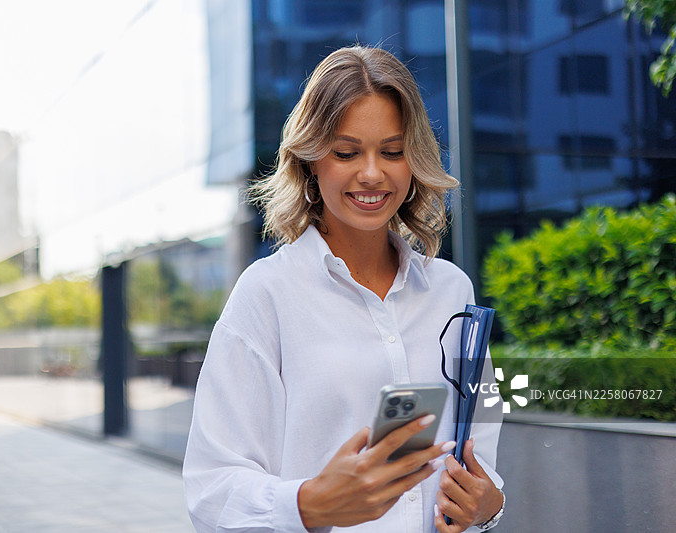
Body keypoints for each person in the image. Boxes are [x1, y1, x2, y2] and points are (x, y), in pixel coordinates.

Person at [183, 45, 504, 532]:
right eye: (347, 152)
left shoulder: (451, 291)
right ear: (312, 160)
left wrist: (487, 505)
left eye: (392, 152)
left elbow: (482, 446)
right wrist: (308, 504)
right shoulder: (267, 294)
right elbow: (211, 489)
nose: (372, 173)